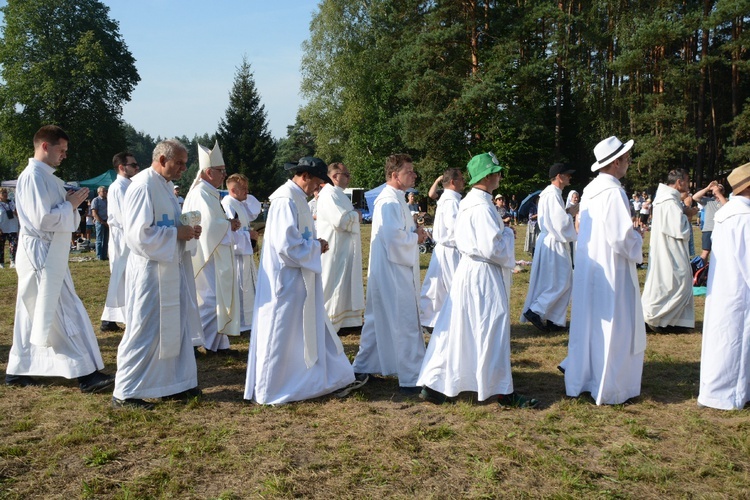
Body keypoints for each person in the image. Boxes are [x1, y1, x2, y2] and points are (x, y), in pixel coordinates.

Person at [417, 152, 538, 408]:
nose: (501, 177)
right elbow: (491, 247)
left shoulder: (472, 201)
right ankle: (501, 390)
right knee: (490, 326)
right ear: (489, 175)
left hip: (469, 272)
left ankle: (437, 385)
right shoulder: (481, 205)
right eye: (498, 172)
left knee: (463, 328)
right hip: (482, 274)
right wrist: (506, 233)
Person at [5, 125, 114, 392]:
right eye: (61, 150)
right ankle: (84, 374)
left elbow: (56, 214)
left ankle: (19, 369)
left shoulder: (47, 177)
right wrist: (70, 205)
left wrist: (68, 204)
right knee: (60, 308)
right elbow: (43, 219)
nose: (64, 155)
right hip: (41, 252)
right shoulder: (33, 177)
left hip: (48, 250)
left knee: (33, 311)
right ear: (45, 146)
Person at [245, 157, 358, 404]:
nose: (317, 188)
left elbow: (300, 236)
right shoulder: (285, 200)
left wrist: (315, 245)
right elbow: (286, 245)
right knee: (282, 332)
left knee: (301, 329)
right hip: (285, 280)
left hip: (300, 276)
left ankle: (306, 378)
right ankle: (272, 388)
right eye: (316, 182)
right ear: (304, 176)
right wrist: (315, 246)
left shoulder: (298, 198)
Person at [113, 139, 204, 409]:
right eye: (179, 163)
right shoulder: (142, 186)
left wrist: (187, 229)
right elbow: (138, 235)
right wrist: (177, 233)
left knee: (174, 327)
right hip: (150, 272)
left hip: (170, 268)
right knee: (144, 329)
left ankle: (172, 384)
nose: (183, 169)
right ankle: (125, 391)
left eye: (185, 164)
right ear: (163, 159)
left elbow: (168, 224)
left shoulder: (164, 186)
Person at [561, 135, 646, 405]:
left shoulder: (590, 190)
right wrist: (639, 241)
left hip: (590, 266)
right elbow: (621, 237)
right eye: (627, 159)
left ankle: (584, 377)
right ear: (616, 162)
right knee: (614, 322)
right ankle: (610, 385)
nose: (629, 163)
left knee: (589, 321)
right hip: (611, 267)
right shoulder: (613, 191)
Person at [351, 154, 430, 394]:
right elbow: (393, 239)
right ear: (395, 175)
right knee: (404, 320)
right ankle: (412, 376)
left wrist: (413, 231)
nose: (414, 175)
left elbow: (398, 232)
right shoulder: (388, 202)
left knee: (378, 321)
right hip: (393, 271)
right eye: (409, 171)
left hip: (390, 269)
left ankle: (364, 366)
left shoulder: (396, 199)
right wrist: (415, 237)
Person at [697, 162, 750, 410]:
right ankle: (731, 396)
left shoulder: (726, 214)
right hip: (739, 291)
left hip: (721, 290)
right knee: (736, 344)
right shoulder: (745, 217)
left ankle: (714, 391)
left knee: (720, 343)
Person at [182, 140, 241, 353]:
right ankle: (198, 342)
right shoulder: (201, 193)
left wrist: (227, 224)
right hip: (207, 253)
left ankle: (218, 343)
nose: (224, 174)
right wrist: (228, 224)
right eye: (220, 170)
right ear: (208, 172)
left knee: (218, 298)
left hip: (216, 251)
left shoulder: (209, 192)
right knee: (210, 299)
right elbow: (207, 225)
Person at [521, 163, 578, 332]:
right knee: (561, 281)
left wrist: (567, 211)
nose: (570, 178)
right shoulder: (552, 194)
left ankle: (555, 319)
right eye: (567, 175)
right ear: (559, 176)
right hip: (554, 240)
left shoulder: (551, 194)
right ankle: (536, 310)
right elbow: (560, 223)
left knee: (558, 280)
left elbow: (555, 218)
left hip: (550, 240)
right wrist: (571, 214)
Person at [641, 169, 697, 333]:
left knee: (672, 282)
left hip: (667, 247)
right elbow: (679, 229)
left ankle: (675, 320)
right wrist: (688, 213)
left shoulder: (667, 199)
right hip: (671, 250)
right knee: (675, 282)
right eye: (687, 181)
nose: (688, 185)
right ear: (679, 182)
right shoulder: (668, 201)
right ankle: (655, 318)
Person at [316, 162, 365, 332]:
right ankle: (328, 321)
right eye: (346, 174)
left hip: (344, 247)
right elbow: (340, 220)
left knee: (344, 283)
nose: (349, 177)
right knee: (332, 283)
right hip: (333, 249)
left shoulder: (339, 194)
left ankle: (345, 322)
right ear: (335, 176)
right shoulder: (329, 194)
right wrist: (356, 215)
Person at [419, 168, 464, 329]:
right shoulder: (451, 201)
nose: (464, 182)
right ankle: (441, 319)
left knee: (437, 287)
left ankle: (431, 319)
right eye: (461, 179)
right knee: (452, 285)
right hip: (450, 249)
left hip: (444, 248)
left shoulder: (449, 198)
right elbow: (454, 229)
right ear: (453, 182)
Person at [100, 151, 140, 332]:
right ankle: (110, 318)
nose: (137, 167)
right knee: (121, 275)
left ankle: (115, 317)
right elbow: (123, 215)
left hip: (128, 235)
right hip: (122, 237)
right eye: (133, 165)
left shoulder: (129, 185)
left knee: (126, 277)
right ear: (122, 167)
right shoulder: (118, 187)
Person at [221, 173, 262, 333]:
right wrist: (248, 235)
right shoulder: (228, 204)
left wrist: (249, 234)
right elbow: (229, 232)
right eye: (243, 188)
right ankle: (241, 323)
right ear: (232, 189)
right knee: (240, 289)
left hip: (245, 255)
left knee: (248, 288)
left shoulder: (238, 203)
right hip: (236, 257)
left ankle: (248, 321)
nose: (247, 191)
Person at [692, 180, 727, 264]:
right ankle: (701, 272)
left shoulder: (726, 201)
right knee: (705, 253)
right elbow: (695, 197)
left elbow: (727, 207)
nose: (717, 190)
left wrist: (719, 194)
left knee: (721, 253)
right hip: (708, 230)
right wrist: (708, 188)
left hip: (721, 230)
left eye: (720, 189)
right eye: (716, 188)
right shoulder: (708, 201)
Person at [0, 187, 19, 268]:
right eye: (3, 193)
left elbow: (18, 213)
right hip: (2, 228)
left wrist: (16, 212)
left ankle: (12, 261)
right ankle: (1, 262)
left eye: (6, 193)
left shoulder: (12, 202)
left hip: (13, 227)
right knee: (1, 245)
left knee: (13, 244)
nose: (5, 194)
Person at [91, 186, 109, 260]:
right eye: (103, 191)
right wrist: (102, 222)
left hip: (107, 221)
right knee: (99, 239)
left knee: (106, 239)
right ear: (99, 192)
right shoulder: (96, 200)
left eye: (106, 191)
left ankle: (104, 255)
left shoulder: (108, 200)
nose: (105, 192)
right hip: (99, 222)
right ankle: (99, 256)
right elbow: (94, 213)